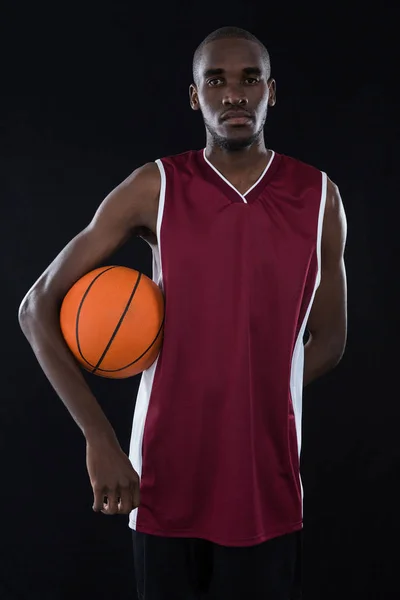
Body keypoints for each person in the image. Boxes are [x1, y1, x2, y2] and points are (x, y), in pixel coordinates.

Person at [19, 26, 347, 600]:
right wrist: (99, 438)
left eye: (250, 80)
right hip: (162, 476)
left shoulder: (319, 196)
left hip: (265, 479)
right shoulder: (157, 186)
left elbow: (331, 339)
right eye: (215, 80)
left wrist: (258, 392)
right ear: (195, 96)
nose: (234, 95)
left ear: (273, 91)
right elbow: (36, 307)